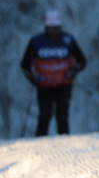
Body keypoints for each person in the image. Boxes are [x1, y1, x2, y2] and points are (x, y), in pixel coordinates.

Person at [20, 9, 88, 137]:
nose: (53, 31)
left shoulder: (68, 40)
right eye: (50, 28)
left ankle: (64, 141)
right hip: (44, 85)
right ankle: (40, 140)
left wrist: (72, 72)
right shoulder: (36, 41)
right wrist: (32, 78)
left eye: (55, 28)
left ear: (59, 27)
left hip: (64, 84)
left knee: (62, 115)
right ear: (45, 27)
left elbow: (82, 61)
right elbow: (25, 64)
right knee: (45, 114)